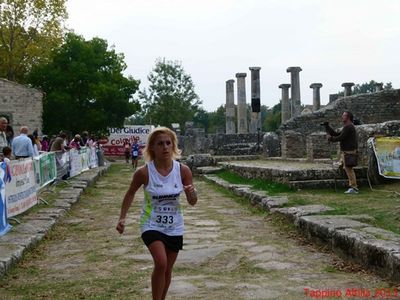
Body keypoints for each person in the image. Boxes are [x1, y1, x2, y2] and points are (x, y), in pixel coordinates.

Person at [116, 127, 197, 300]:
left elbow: (192, 201)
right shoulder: (144, 172)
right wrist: (122, 217)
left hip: (174, 226)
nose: (165, 147)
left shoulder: (183, 171)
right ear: (152, 147)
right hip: (151, 223)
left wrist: (192, 194)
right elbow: (130, 193)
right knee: (161, 263)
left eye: (168, 143)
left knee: (167, 269)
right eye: (160, 144)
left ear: (173, 145)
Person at [325, 111, 359, 194]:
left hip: (349, 152)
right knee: (341, 167)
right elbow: (337, 134)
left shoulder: (349, 127)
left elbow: (340, 137)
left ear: (348, 117)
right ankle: (346, 185)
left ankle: (354, 188)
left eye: (344, 116)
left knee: (349, 169)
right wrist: (328, 127)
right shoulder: (347, 127)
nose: (342, 117)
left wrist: (331, 139)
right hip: (346, 152)